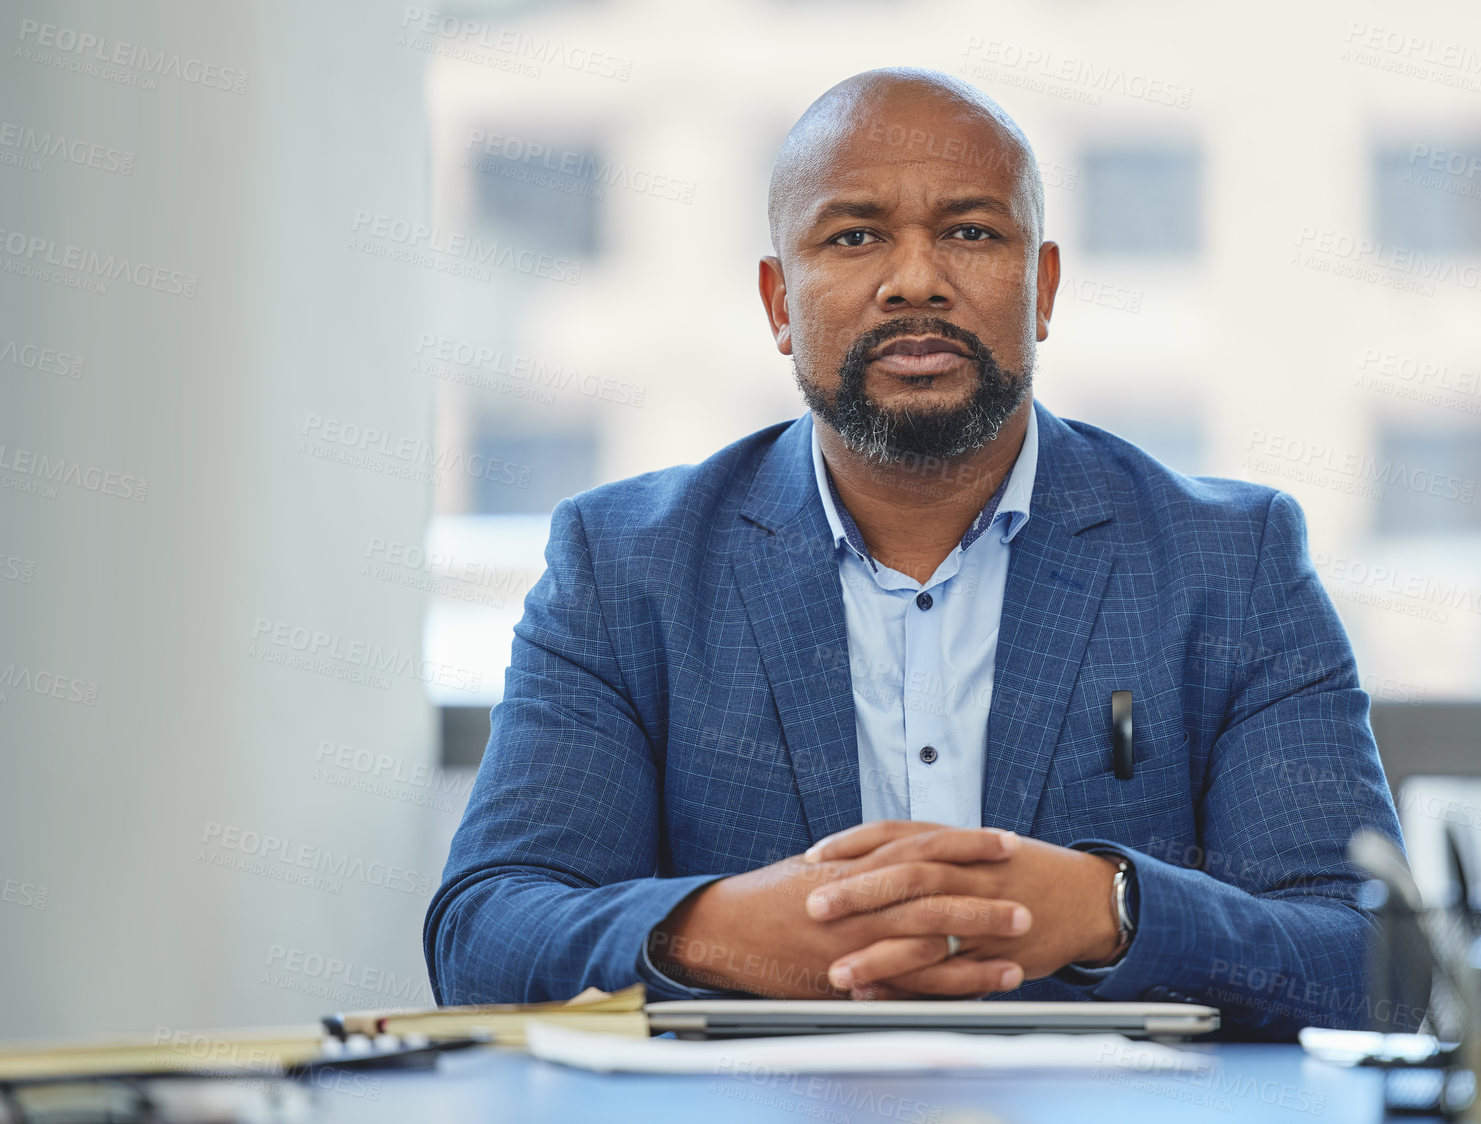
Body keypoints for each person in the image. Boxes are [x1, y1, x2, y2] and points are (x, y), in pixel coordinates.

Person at [423, 66, 1403, 1038]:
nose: (916, 279)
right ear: (777, 301)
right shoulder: (625, 565)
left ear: (1043, 287)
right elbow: (485, 933)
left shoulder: (1232, 561)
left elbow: (1375, 962)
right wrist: (714, 929)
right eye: (854, 237)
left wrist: (1110, 909)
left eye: (971, 232)